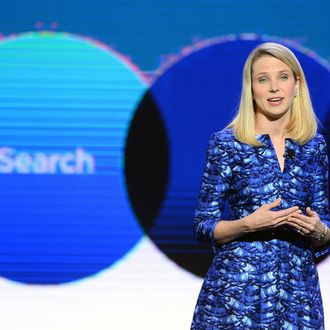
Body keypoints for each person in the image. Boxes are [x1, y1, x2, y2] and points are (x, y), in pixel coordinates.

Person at [191, 42, 330, 329]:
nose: (273, 88)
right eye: (263, 80)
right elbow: (203, 225)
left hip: (298, 297)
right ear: (251, 89)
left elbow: (323, 223)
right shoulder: (227, 144)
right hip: (235, 296)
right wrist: (248, 225)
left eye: (282, 77)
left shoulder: (313, 147)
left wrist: (321, 231)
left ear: (297, 84)